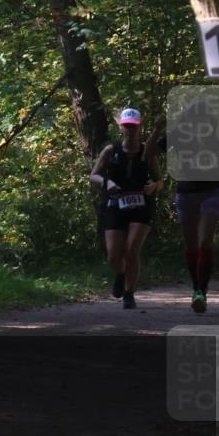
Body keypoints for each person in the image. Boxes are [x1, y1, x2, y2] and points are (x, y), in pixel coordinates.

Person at [147, 119, 219, 313]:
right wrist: (157, 129)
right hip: (186, 194)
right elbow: (149, 153)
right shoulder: (179, 134)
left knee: (204, 242)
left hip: (213, 191)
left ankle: (201, 292)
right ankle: (196, 287)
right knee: (192, 245)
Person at [89, 108, 163, 310]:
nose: (130, 130)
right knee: (114, 255)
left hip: (141, 206)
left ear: (140, 126)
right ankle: (121, 275)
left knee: (132, 250)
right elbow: (93, 175)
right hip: (116, 205)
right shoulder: (110, 150)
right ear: (121, 127)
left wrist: (154, 186)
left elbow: (160, 180)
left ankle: (129, 293)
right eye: (127, 126)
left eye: (134, 126)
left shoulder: (147, 152)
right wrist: (107, 182)